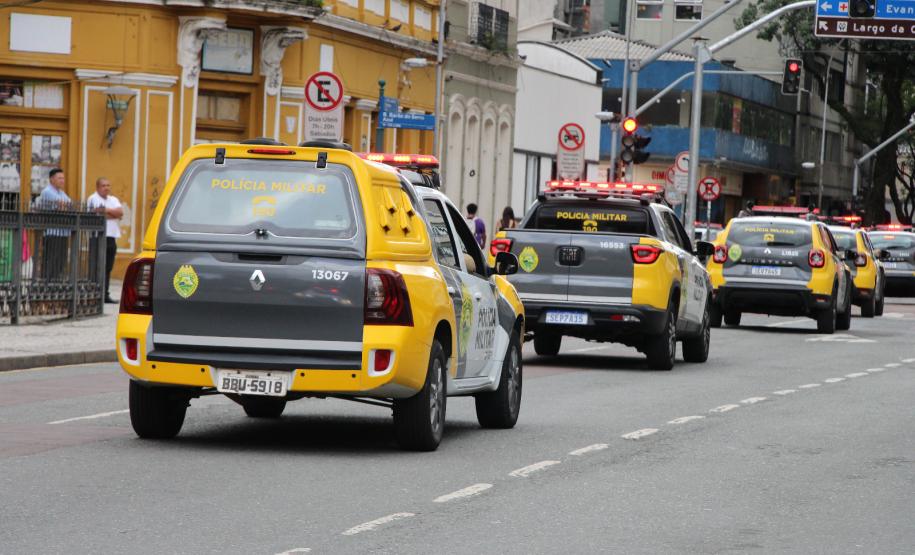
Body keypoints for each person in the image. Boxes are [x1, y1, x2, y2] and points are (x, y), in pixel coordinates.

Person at [87, 177, 123, 303]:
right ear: (98, 187)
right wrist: (111, 214)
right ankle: (94, 293)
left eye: (108, 185)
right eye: (103, 185)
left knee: (108, 267)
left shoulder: (113, 199)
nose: (106, 187)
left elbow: (120, 213)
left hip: (111, 237)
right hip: (98, 237)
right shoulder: (93, 198)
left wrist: (105, 210)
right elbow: (96, 214)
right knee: (97, 266)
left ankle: (105, 294)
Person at [35, 168, 72, 280]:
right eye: (59, 178)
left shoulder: (61, 192)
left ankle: (54, 285)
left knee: (60, 261)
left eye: (63, 178)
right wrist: (64, 206)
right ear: (51, 179)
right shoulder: (47, 191)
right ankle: (46, 285)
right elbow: (63, 205)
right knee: (50, 261)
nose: (62, 180)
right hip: (52, 232)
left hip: (63, 232)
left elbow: (70, 205)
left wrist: (64, 206)